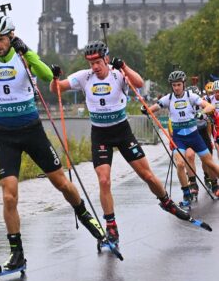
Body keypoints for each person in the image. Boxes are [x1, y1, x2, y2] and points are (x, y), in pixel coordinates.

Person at [0, 16, 105, 271]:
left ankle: (86, 216)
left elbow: (49, 76)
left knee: (61, 183)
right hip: (6, 135)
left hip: (32, 132)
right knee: (8, 196)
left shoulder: (24, 57)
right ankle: (17, 254)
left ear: (11, 36)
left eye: (0, 39)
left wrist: (27, 51)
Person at [50, 40, 190, 245]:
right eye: (91, 63)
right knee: (104, 180)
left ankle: (166, 202)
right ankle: (111, 228)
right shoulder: (84, 77)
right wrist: (55, 77)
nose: (95, 67)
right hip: (100, 134)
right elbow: (57, 89)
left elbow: (140, 83)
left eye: (98, 62)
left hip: (122, 131)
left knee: (147, 175)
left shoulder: (118, 74)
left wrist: (123, 66)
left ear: (106, 59)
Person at [145, 71, 219, 199]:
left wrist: (201, 112)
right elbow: (153, 108)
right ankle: (186, 193)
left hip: (194, 135)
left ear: (183, 84)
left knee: (210, 163)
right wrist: (145, 109)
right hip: (179, 138)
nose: (176, 88)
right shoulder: (168, 98)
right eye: (174, 85)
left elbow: (210, 107)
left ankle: (214, 184)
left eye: (179, 84)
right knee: (180, 164)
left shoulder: (191, 96)